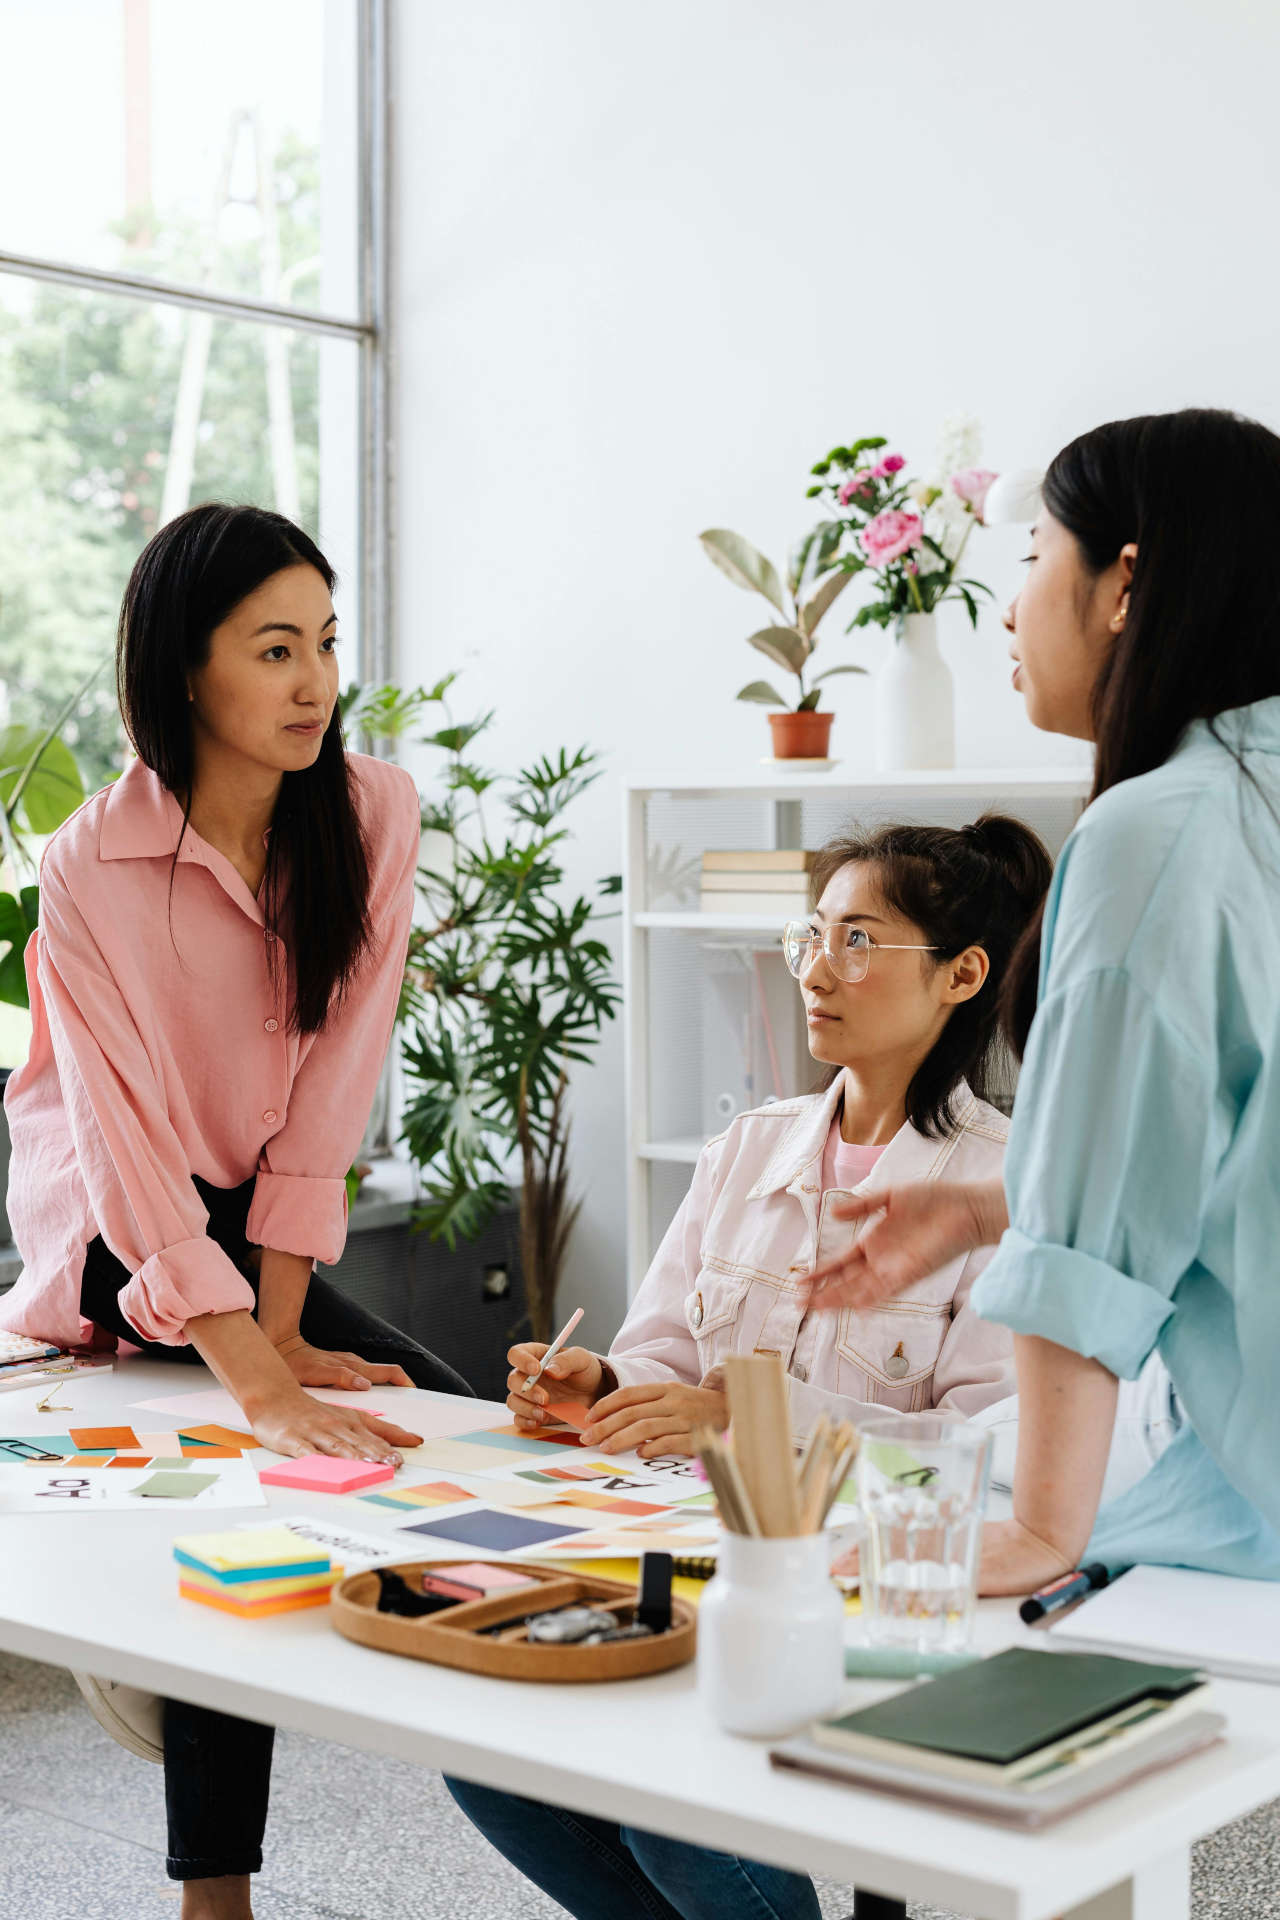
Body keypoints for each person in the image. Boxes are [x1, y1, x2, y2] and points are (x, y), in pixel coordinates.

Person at [444, 810, 1050, 1920]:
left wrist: (749, 1418)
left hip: (857, 1590)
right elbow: (660, 1347)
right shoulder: (747, 1147)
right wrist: (606, 1389)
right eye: (810, 935)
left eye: (859, 941)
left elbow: (991, 1459)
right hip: (675, 1554)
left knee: (671, 1798)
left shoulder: (1003, 1189)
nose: (817, 969)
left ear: (963, 975)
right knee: (487, 1751)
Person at [0, 503, 473, 1920]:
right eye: (275, 650)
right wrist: (260, 1381)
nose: (315, 682)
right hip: (109, 1224)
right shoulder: (88, 864)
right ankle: (220, 1900)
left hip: (251, 1204)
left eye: (325, 644)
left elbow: (331, 1095)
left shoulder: (373, 812)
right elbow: (122, 1145)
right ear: (185, 670)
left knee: (464, 1441)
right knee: (272, 1459)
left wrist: (282, 1331)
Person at [806, 407, 1280, 1594]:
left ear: (1126, 583)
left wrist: (1042, 1534)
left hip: (1240, 1509)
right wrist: (983, 1206)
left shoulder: (1153, 832)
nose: (1010, 608)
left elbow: (1094, 1231)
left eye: (1028, 561)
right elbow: (1225, 1140)